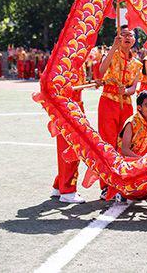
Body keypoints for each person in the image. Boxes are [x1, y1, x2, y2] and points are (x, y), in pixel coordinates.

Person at [97, 25, 142, 198]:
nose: (127, 37)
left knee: (125, 143)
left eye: (130, 35)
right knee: (107, 143)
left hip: (126, 105)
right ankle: (106, 186)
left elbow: (133, 88)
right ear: (118, 38)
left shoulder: (137, 63)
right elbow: (101, 72)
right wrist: (113, 48)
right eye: (123, 35)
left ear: (135, 40)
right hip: (108, 101)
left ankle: (124, 181)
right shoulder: (111, 55)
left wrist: (127, 91)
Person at [51, 67, 87, 203]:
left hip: (76, 107)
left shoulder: (79, 60)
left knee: (74, 149)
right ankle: (67, 190)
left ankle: (59, 185)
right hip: (66, 109)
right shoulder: (63, 61)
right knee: (70, 149)